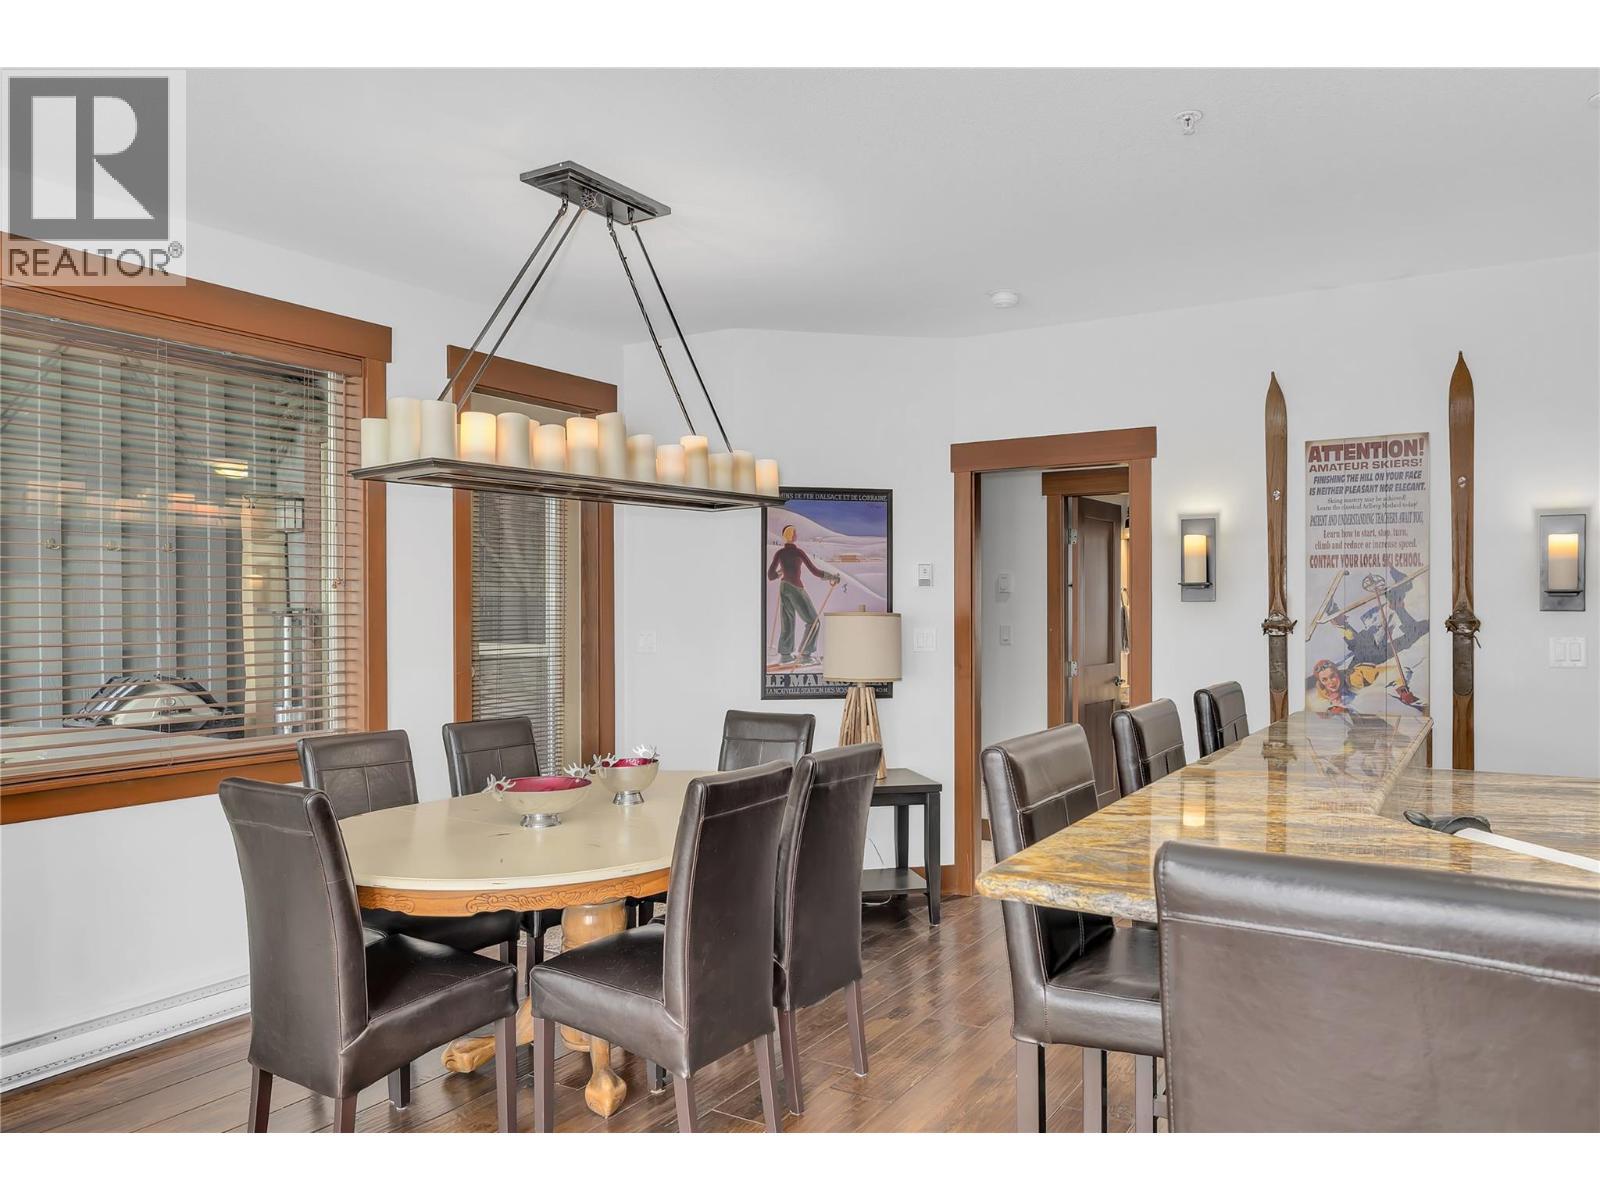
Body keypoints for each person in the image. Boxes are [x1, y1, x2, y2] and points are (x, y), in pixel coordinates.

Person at [767, 524, 839, 666]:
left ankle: (786, 655)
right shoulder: (798, 552)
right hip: (795, 588)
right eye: (795, 533)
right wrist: (831, 576)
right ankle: (805, 655)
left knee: (787, 621)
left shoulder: (780, 553)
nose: (796, 535)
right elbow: (814, 571)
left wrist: (781, 572)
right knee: (813, 622)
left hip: (784, 587)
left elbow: (770, 576)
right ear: (792, 535)